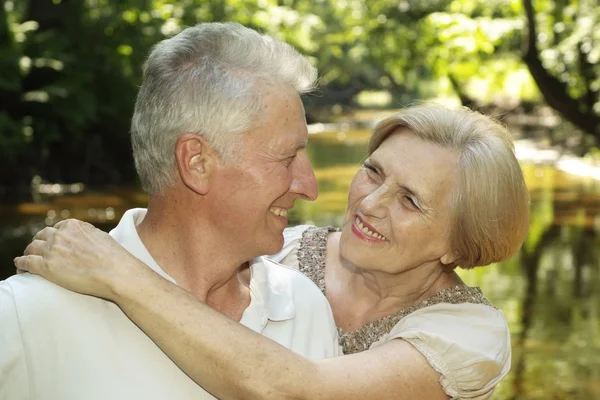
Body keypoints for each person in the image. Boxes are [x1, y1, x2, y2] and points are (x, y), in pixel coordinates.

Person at [15, 103, 530, 399]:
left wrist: (119, 273)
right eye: (373, 170)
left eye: (410, 201)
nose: (369, 203)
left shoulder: (467, 336)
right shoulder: (275, 253)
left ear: (459, 244)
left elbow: (296, 392)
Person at [0, 22, 342, 400]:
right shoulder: (24, 315)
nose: (309, 186)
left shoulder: (305, 308)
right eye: (286, 156)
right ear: (196, 162)